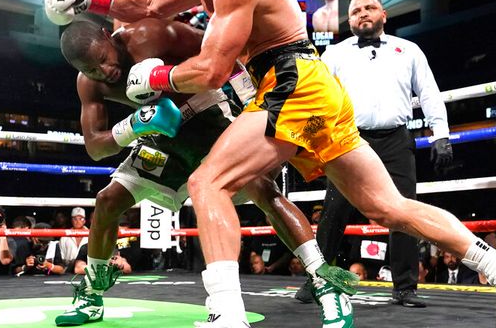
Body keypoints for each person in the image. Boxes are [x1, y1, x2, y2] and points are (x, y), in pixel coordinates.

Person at [44, 0, 496, 326]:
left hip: (292, 82)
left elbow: (213, 71)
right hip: (310, 86)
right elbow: (151, 5)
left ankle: (226, 312)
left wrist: (156, 78)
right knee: (387, 208)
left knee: (207, 183)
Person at [49, 17, 356, 327]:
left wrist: (250, 98)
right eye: (91, 69)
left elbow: (222, 50)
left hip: (207, 114)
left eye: (103, 59)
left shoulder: (149, 34)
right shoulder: (88, 84)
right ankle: (91, 293)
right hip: (160, 137)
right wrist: (134, 125)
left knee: (262, 189)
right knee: (107, 201)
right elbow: (95, 146)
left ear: (108, 36)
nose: (104, 71)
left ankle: (324, 281)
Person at [296, 0, 453, 308]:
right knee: (334, 211)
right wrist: (308, 144)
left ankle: (406, 287)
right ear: (350, 20)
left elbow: (429, 93)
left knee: (405, 210)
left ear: (384, 14)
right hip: (348, 139)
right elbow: (316, 102)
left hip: (396, 139)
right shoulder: (334, 55)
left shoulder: (408, 50)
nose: (363, 13)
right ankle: (317, 280)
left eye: (370, 7)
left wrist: (441, 135)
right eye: (356, 11)